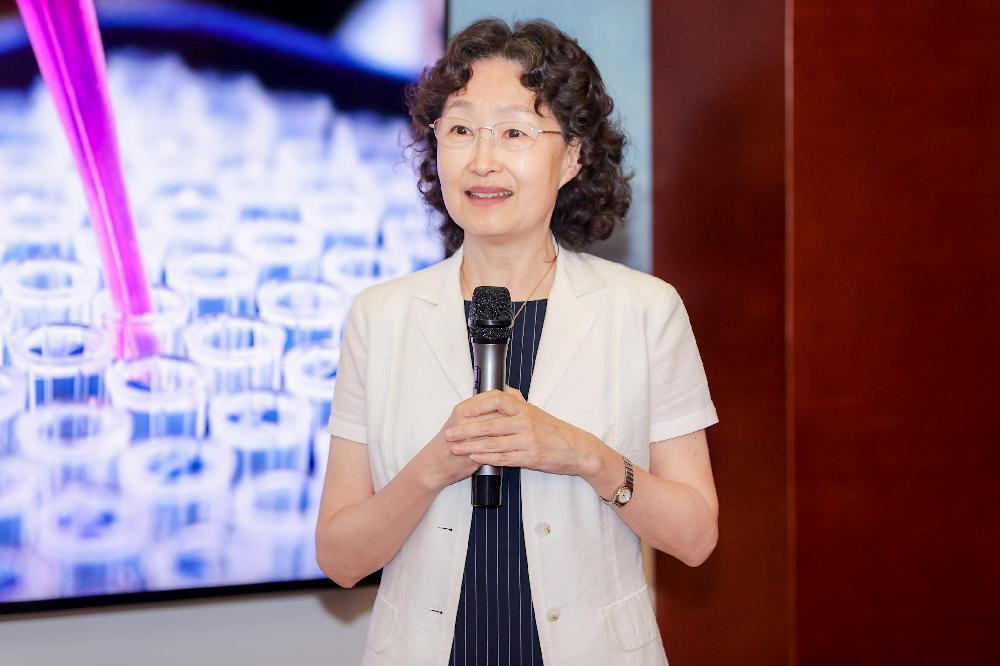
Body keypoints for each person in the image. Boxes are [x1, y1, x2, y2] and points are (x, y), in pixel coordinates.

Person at [315, 18, 719, 666]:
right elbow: (339, 558)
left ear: (573, 156)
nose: (483, 160)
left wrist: (582, 454)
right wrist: (433, 467)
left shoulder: (644, 310)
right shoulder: (380, 316)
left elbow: (695, 537)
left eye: (514, 132)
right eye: (461, 130)